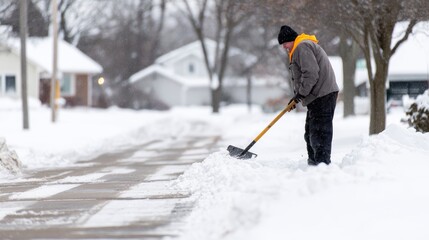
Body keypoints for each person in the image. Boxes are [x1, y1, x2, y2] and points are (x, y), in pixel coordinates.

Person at [278, 25, 339, 166]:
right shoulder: (300, 47)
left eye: (284, 43)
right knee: (311, 132)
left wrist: (301, 94)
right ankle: (314, 163)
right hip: (318, 95)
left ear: (291, 40)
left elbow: (311, 73)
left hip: (322, 94)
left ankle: (321, 165)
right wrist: (297, 96)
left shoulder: (302, 47)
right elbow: (303, 76)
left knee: (319, 132)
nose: (284, 47)